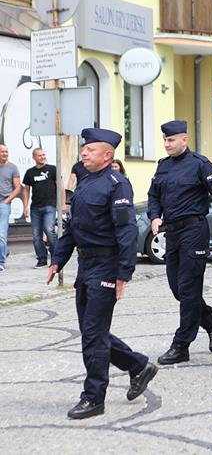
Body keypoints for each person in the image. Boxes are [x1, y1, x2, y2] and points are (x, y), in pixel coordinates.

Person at [47, 128, 157, 419]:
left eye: (91, 149)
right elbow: (73, 228)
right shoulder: (84, 182)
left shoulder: (116, 185)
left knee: (93, 334)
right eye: (84, 149)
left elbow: (127, 230)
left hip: (107, 264)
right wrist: (58, 259)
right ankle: (137, 365)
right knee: (91, 331)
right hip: (86, 265)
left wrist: (124, 272)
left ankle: (94, 397)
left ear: (107, 156)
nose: (84, 152)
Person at [147, 120, 212, 366]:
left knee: (189, 289)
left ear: (184, 139)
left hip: (194, 231)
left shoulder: (200, 164)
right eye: (164, 140)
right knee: (178, 290)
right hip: (172, 234)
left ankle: (181, 345)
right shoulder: (163, 166)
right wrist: (154, 215)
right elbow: (153, 195)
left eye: (171, 140)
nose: (167, 144)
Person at [22, 148, 58, 268]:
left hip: (50, 205)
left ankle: (56, 257)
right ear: (34, 157)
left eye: (43, 155)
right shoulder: (30, 172)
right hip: (35, 208)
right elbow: (26, 190)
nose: (42, 157)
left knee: (49, 230)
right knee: (36, 235)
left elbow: (60, 186)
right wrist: (25, 206)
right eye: (39, 155)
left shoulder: (52, 169)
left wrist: (62, 203)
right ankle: (42, 259)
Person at [0, 144, 21, 271]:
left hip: (4, 202)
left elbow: (17, 187)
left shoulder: (12, 167)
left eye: (6, 151)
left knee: (1, 233)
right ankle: (5, 250)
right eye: (2, 152)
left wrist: (7, 201)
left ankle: (1, 262)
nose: (5, 154)